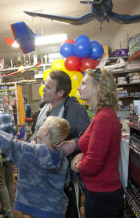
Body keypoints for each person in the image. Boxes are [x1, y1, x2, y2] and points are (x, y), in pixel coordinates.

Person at [0, 115, 71, 218]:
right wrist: (26, 168)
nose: (41, 125)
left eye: (43, 124)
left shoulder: (33, 151)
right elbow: (65, 182)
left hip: (39, 210)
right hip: (57, 208)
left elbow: (11, 143)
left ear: (46, 132)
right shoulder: (63, 158)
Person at [30, 70, 90, 218]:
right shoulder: (43, 107)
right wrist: (32, 140)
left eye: (48, 87)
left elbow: (90, 138)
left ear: (60, 92)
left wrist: (74, 144)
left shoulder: (75, 110)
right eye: (44, 84)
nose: (43, 88)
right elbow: (36, 131)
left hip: (64, 183)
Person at [71, 68, 123, 218]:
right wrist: (82, 155)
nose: (79, 87)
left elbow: (93, 165)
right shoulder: (101, 115)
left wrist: (76, 165)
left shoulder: (103, 118)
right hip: (100, 193)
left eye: (84, 83)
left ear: (99, 88)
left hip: (102, 197)